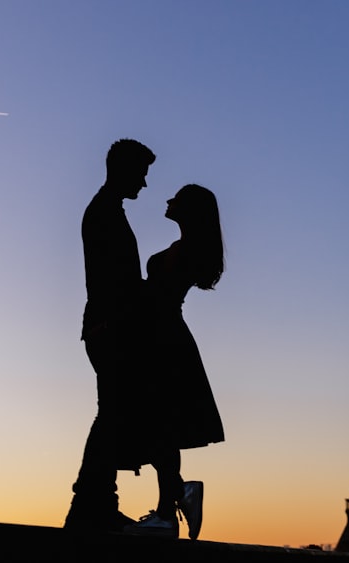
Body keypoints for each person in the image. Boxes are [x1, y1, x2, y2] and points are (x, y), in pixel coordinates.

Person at [64, 138, 157, 532]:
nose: (145, 184)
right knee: (111, 413)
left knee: (112, 413)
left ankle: (94, 501)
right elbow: (110, 280)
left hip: (107, 324)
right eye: (142, 174)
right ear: (124, 170)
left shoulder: (105, 210)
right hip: (110, 325)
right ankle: (92, 503)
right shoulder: (104, 213)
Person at [124, 184, 225, 540]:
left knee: (158, 426)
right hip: (164, 339)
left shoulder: (187, 252)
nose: (168, 201)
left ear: (190, 210)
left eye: (176, 198)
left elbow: (158, 295)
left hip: (163, 341)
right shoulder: (187, 250)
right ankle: (174, 500)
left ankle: (170, 508)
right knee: (159, 427)